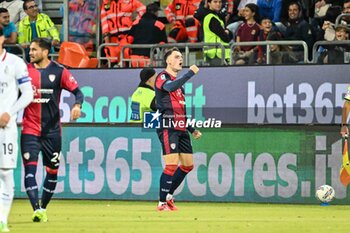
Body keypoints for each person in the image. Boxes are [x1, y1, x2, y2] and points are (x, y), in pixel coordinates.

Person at [21, 38, 83, 222]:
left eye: (34, 50)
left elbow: (78, 92)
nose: (30, 52)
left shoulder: (59, 71)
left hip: (53, 132)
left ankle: (43, 208)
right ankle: (36, 209)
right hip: (30, 130)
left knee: (52, 171)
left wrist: (77, 105)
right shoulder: (24, 71)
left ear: (45, 51)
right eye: (30, 50)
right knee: (30, 171)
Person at [155, 47, 202, 211]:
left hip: (181, 128)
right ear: (168, 61)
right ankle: (161, 203)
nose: (180, 59)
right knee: (171, 165)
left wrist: (192, 129)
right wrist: (189, 74)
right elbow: (168, 87)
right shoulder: (162, 77)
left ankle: (168, 196)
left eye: (181, 56)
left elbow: (182, 113)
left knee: (188, 165)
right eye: (176, 56)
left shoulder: (180, 89)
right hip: (168, 127)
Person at [0, 26, 33, 232]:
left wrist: (9, 113)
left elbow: (27, 94)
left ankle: (2, 220)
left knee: (4, 173)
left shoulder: (15, 63)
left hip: (5, 128)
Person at [128, 3, 167, 67]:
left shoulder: (136, 22)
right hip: (149, 58)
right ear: (155, 12)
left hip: (134, 58)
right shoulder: (159, 25)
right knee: (149, 76)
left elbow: (129, 39)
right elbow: (163, 44)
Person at [202, 0, 232, 66]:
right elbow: (225, 38)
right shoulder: (212, 18)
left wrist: (228, 33)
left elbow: (229, 34)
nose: (218, 4)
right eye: (215, 2)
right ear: (209, 3)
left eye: (220, 2)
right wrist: (227, 33)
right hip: (216, 55)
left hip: (216, 55)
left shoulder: (216, 17)